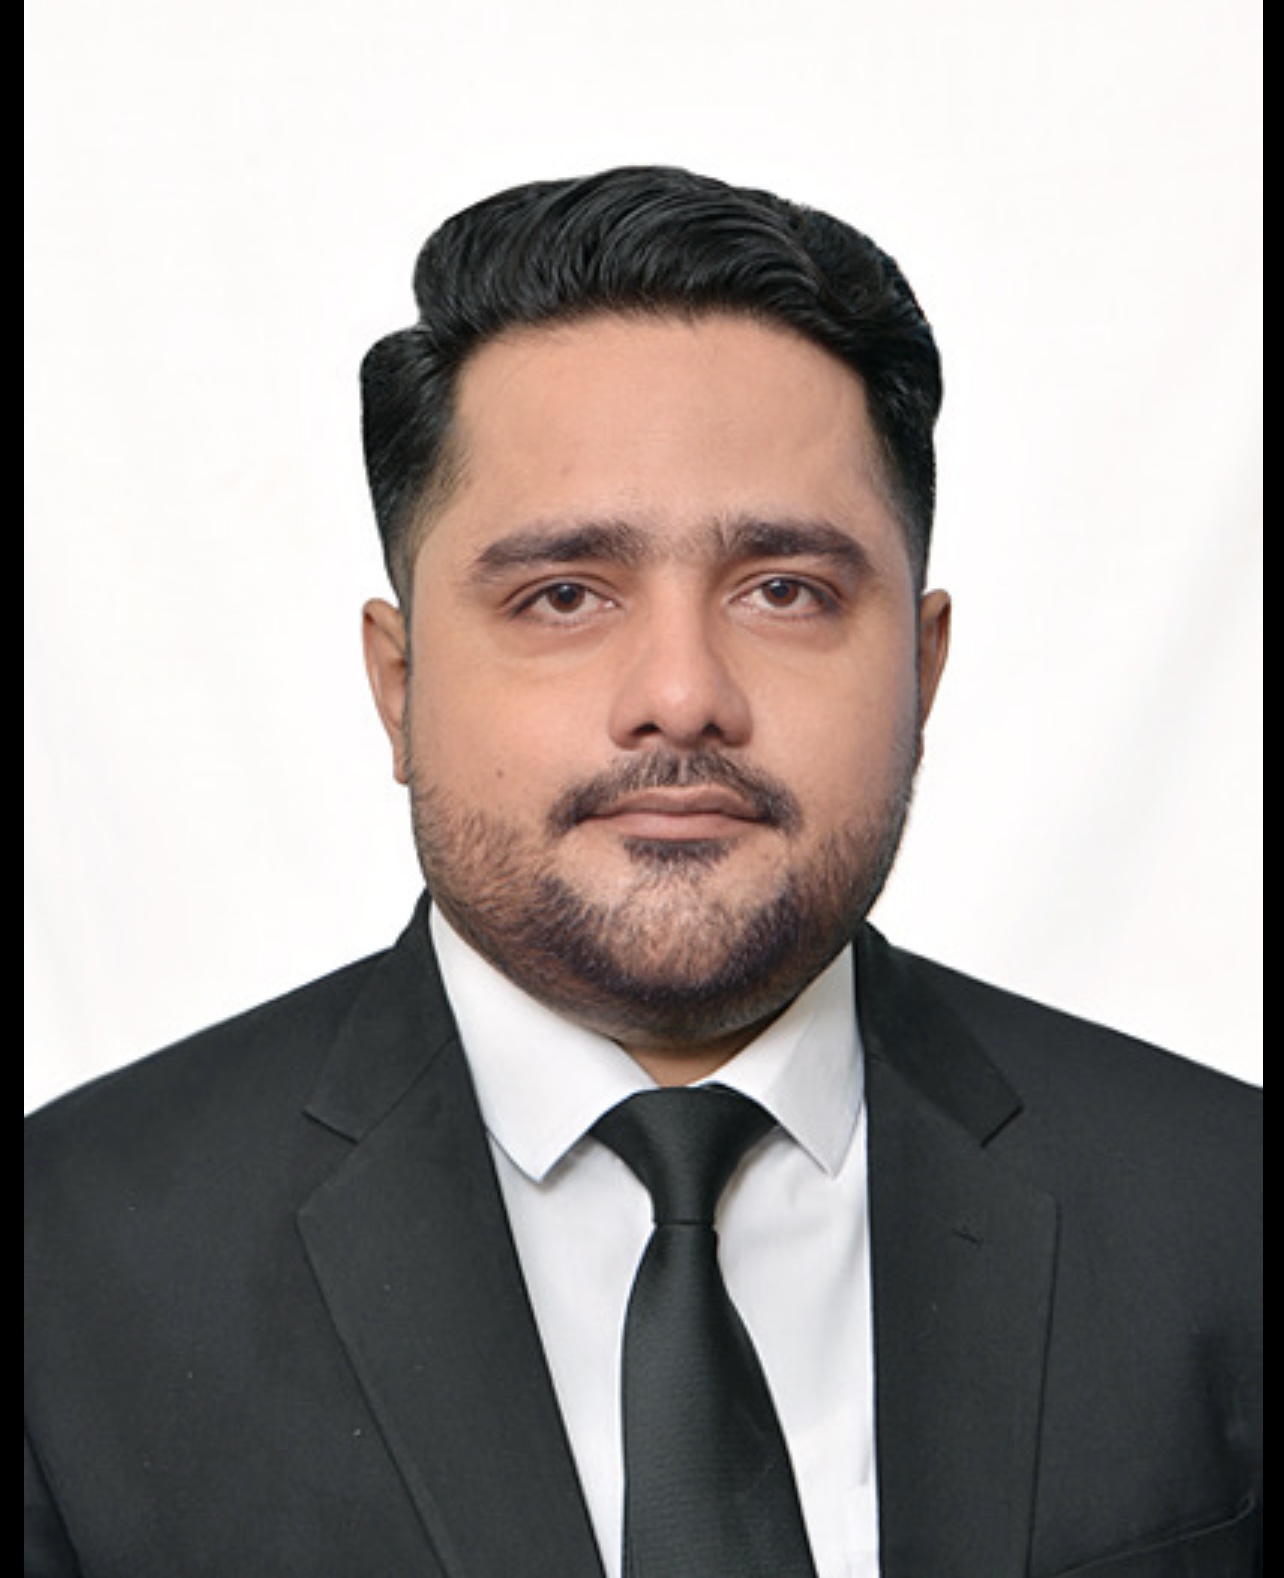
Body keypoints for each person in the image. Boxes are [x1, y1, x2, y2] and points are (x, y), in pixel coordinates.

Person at [24, 167, 1261, 1578]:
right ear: (399, 684)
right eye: (563, 595)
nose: (681, 695)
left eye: (785, 589)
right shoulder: (64, 1267)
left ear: (921, 672)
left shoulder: (1226, 1217)